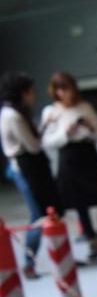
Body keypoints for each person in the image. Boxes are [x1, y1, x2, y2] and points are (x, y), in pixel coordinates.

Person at [40, 71, 97, 260]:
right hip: (68, 156)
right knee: (80, 204)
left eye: (68, 88)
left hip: (88, 153)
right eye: (61, 90)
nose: (66, 93)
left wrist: (89, 128)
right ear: (56, 92)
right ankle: (93, 242)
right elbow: (46, 141)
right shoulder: (51, 112)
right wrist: (66, 133)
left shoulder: (85, 106)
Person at [0, 71, 62, 280]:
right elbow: (33, 146)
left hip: (31, 167)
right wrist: (46, 126)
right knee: (38, 215)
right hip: (26, 169)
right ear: (23, 92)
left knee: (43, 212)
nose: (33, 94)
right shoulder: (12, 115)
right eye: (30, 90)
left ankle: (54, 258)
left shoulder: (16, 112)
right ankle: (30, 262)